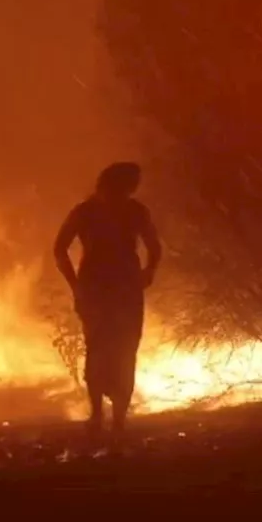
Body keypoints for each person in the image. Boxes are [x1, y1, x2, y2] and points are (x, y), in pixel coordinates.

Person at [53, 162, 162, 439]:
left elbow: (154, 246)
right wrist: (75, 285)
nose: (123, 193)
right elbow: (59, 249)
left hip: (115, 289)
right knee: (103, 350)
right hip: (102, 290)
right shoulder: (87, 212)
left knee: (119, 350)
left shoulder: (130, 211)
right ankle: (101, 416)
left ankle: (115, 419)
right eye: (123, 187)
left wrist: (149, 270)